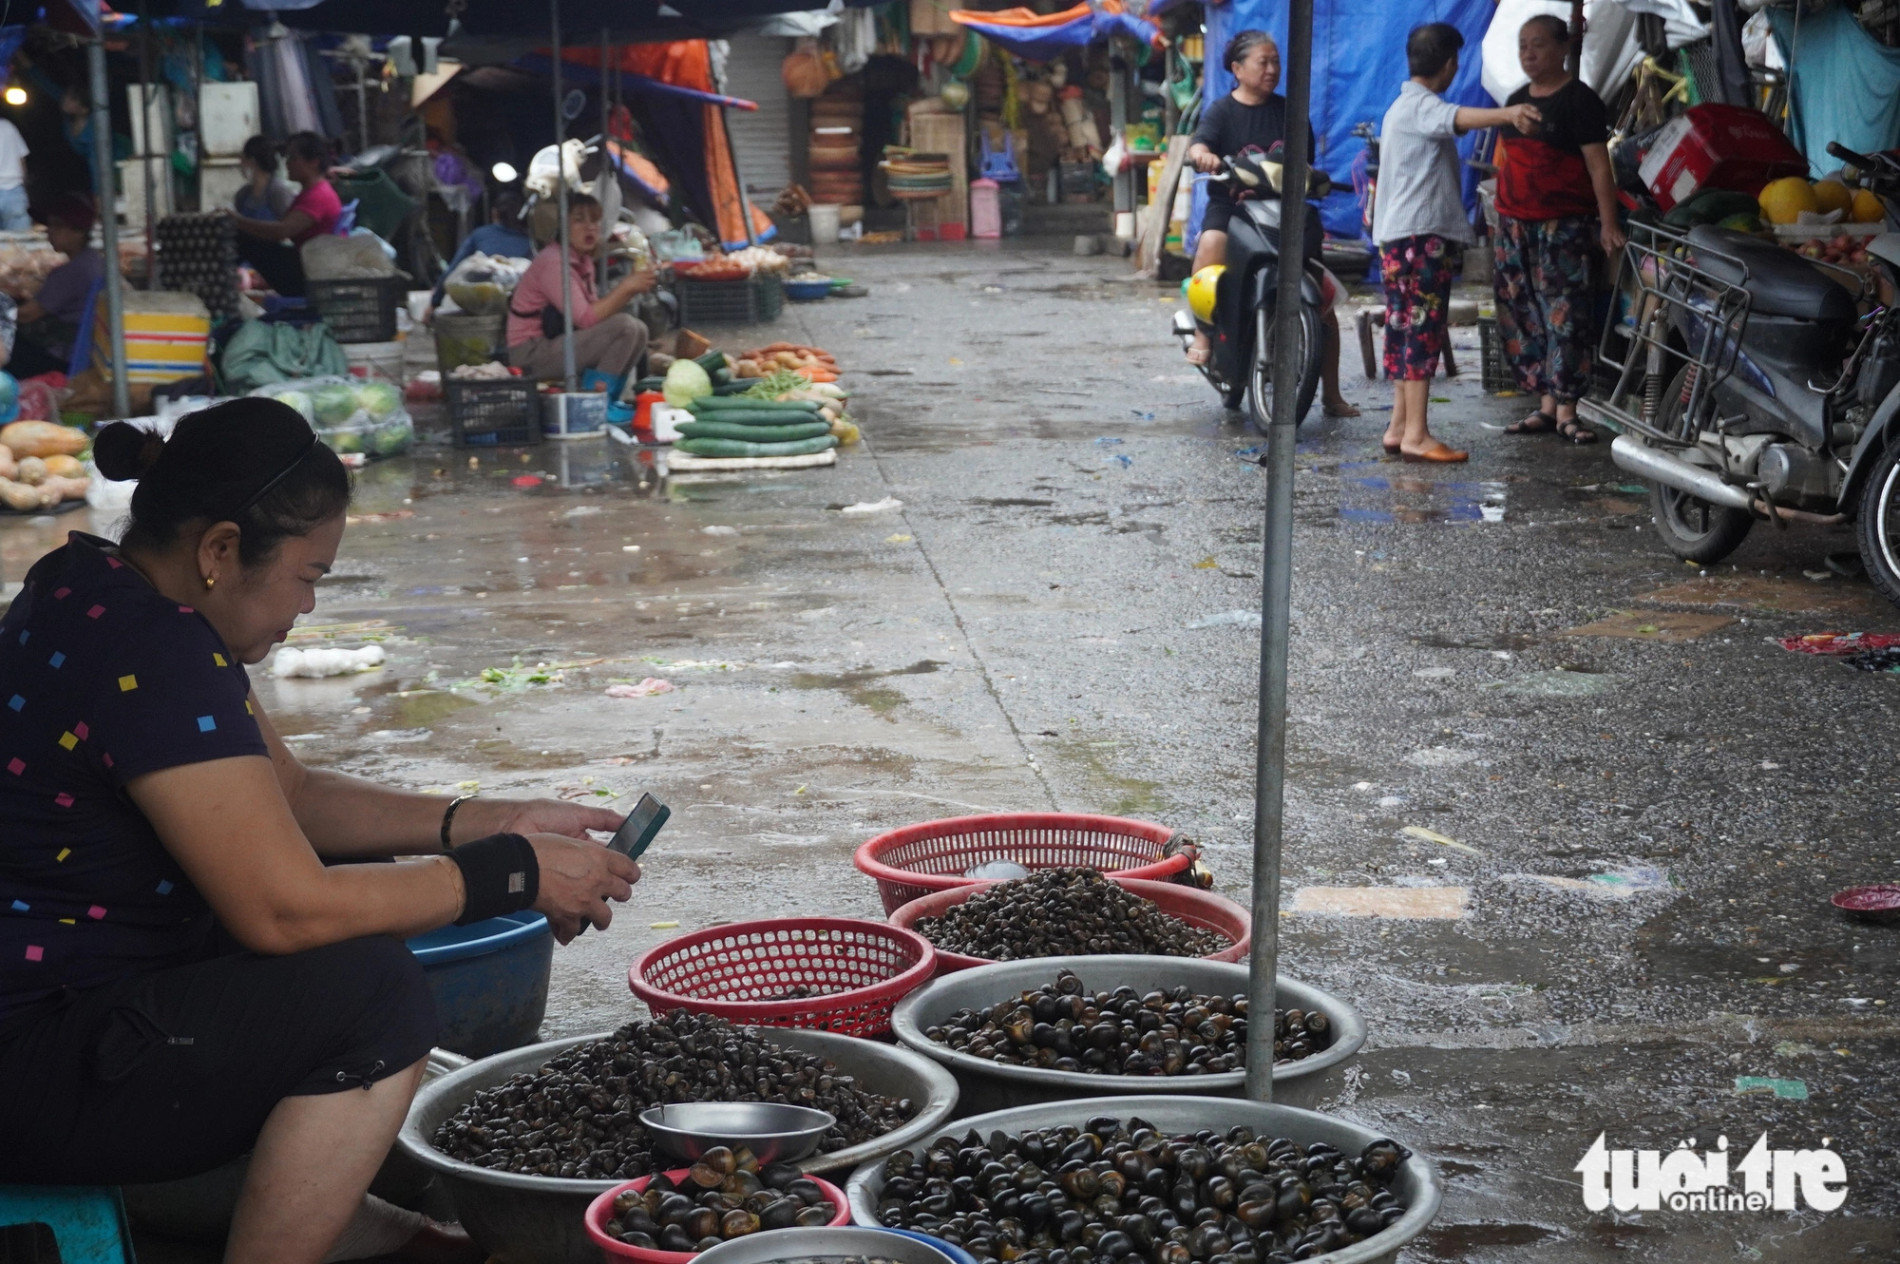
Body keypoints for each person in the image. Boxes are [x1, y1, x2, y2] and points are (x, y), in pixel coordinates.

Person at [0, 398, 641, 1264]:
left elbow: (286, 796)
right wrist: (511, 873)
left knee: (340, 984)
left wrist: (487, 823)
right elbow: (284, 911)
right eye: (308, 576)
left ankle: (389, 1238)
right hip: (34, 1063)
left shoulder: (93, 585)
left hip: (61, 1020)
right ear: (221, 550)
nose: (306, 606)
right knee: (370, 995)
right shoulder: (153, 648)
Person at [1372, 24, 1543, 464]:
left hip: (1397, 238)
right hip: (1419, 237)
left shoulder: (1399, 108)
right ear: (1449, 65)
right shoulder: (1421, 108)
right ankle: (1417, 434)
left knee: (1404, 328)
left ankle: (1398, 426)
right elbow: (1457, 118)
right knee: (1423, 330)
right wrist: (1509, 114)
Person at [1184, 29, 1358, 419]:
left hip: (1284, 212)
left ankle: (1331, 393)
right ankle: (1203, 331)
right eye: (1263, 61)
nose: (1272, 69)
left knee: (1324, 301)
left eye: (1276, 61)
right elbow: (1200, 143)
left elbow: (1306, 164)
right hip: (1232, 208)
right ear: (1237, 68)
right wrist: (1203, 156)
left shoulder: (1290, 112)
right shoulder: (1221, 111)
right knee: (1211, 244)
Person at [1493, 14, 1625, 445]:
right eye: (1522, 46)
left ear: (1563, 47)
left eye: (1538, 45)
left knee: (1565, 314)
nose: (1529, 54)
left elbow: (1598, 166)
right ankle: (1546, 405)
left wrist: (1608, 225)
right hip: (1515, 226)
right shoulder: (1513, 101)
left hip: (1563, 226)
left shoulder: (1581, 101)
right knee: (1525, 312)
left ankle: (1568, 408)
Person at [507, 193, 655, 393]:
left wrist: (631, 289)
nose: (590, 227)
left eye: (594, 220)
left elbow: (594, 315)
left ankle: (608, 399)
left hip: (555, 342)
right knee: (625, 326)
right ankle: (592, 402)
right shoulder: (553, 262)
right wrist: (627, 287)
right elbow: (585, 318)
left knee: (639, 330)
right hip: (531, 353)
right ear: (562, 225)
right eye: (579, 220)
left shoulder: (582, 260)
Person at [226, 131, 343, 298]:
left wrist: (237, 221)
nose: (287, 164)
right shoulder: (310, 192)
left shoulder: (318, 196)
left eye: (293, 158)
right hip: (304, 265)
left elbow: (281, 231)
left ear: (313, 162)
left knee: (240, 238)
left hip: (307, 276)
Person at [6, 193, 104, 379]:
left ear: (79, 232)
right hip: (80, 349)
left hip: (62, 357)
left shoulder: (75, 270)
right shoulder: (91, 260)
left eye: (57, 226)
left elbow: (27, 315)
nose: (49, 231)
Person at [431, 188, 533, 311]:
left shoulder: (480, 234)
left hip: (480, 305)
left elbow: (453, 269)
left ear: (495, 213)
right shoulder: (530, 241)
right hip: (517, 306)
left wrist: (434, 303)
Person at [233, 134, 298, 222]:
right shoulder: (243, 194)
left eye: (243, 159)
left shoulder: (278, 192)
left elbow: (289, 226)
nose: (241, 164)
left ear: (252, 160)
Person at [0, 114, 30, 232]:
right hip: (14, 191)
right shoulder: (8, 127)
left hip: (14, 191)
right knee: (20, 240)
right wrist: (25, 184)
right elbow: (22, 159)